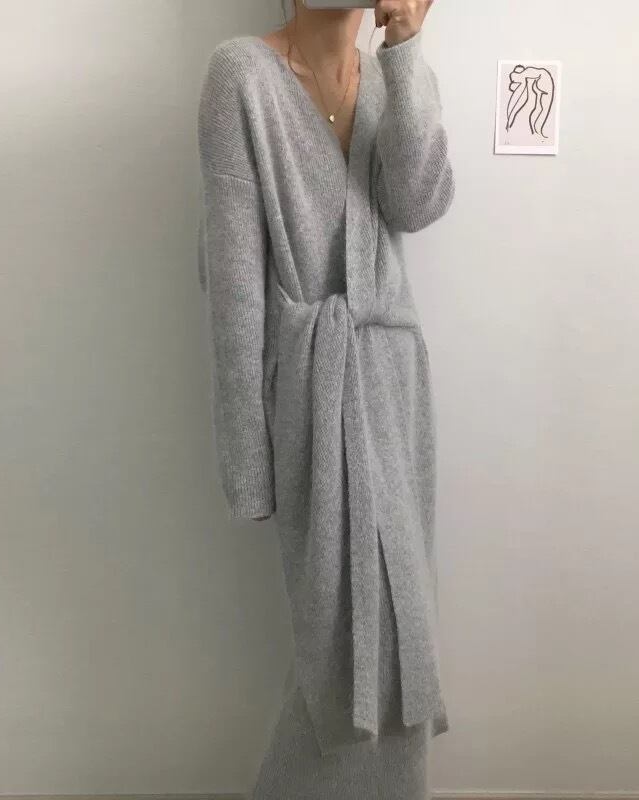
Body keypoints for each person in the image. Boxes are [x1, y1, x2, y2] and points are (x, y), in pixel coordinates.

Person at [196, 0, 454, 796]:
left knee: (406, 629)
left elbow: (419, 201)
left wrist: (407, 48)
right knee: (337, 645)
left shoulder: (392, 78)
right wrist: (250, 463)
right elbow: (235, 287)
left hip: (394, 387)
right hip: (312, 395)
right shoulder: (241, 76)